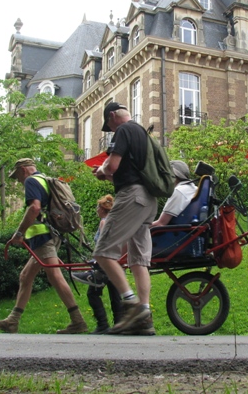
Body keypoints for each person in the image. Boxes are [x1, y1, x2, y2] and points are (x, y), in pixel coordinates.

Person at [0, 158, 88, 334]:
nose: (18, 180)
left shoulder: (31, 181)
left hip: (42, 235)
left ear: (23, 170)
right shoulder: (44, 179)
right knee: (25, 276)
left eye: (17, 175)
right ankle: (12, 321)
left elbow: (35, 209)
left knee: (54, 275)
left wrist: (19, 233)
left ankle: (78, 320)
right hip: (47, 234)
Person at [92, 102, 158, 335]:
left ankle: (130, 304)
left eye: (108, 126)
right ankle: (145, 316)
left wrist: (102, 170)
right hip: (148, 199)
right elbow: (126, 174)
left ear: (112, 116)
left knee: (102, 250)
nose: (109, 130)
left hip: (132, 197)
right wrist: (108, 177)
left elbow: (113, 165)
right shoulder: (142, 133)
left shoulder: (123, 130)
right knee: (139, 260)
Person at [71, 195, 123, 334]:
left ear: (102, 209)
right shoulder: (114, 222)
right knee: (115, 294)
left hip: (105, 264)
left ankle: (103, 324)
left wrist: (96, 260)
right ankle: (119, 324)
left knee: (92, 293)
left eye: (97, 207)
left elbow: (103, 244)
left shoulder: (104, 222)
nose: (96, 210)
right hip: (116, 262)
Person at [150, 160, 198, 228]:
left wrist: (139, 228)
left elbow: (161, 223)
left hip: (174, 234)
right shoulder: (194, 188)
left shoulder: (178, 191)